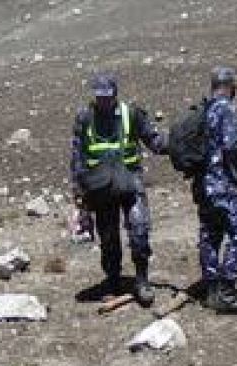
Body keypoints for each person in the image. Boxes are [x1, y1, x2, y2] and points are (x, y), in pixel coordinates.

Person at [69, 73, 166, 306]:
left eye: (108, 97)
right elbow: (77, 156)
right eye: (100, 97)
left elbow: (154, 141)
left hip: (130, 183)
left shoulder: (131, 114)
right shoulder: (85, 118)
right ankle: (112, 281)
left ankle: (142, 280)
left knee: (139, 230)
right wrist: (79, 191)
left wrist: (180, 145)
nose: (104, 101)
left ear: (115, 95)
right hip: (101, 187)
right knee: (109, 237)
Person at [192, 67, 237, 316]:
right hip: (224, 184)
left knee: (211, 234)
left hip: (204, 186)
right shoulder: (226, 109)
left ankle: (212, 290)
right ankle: (227, 292)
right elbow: (233, 145)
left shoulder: (204, 110)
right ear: (232, 87)